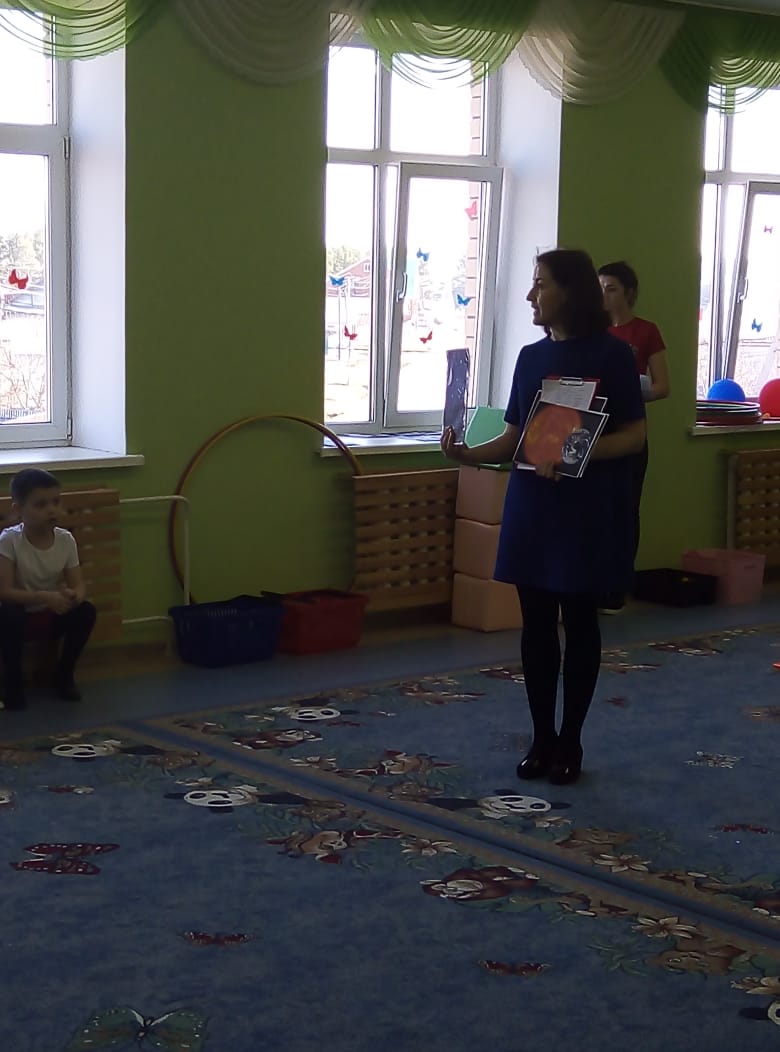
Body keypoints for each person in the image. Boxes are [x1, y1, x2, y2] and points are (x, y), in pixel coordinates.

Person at [441, 249, 646, 784]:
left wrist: (579, 452)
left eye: (541, 285)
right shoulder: (530, 357)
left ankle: (571, 741)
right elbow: (515, 437)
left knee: (578, 621)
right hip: (534, 504)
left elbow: (634, 434)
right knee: (535, 625)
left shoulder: (613, 355)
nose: (531, 296)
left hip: (585, 507)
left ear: (570, 291)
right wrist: (467, 454)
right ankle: (541, 738)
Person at [598, 261, 670, 612]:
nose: (604, 296)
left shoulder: (645, 331)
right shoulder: (593, 332)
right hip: (597, 430)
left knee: (625, 510)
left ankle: (617, 587)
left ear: (629, 292)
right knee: (596, 509)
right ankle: (590, 583)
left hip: (630, 432)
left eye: (611, 289)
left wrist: (633, 391)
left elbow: (662, 386)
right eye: (600, 289)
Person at [0, 468, 97, 710]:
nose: (52, 510)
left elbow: (78, 585)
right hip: (18, 617)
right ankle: (13, 683)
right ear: (18, 510)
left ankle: (63, 676)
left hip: (50, 613)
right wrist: (43, 596)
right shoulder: (9, 540)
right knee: (9, 613)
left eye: (56, 502)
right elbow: (4, 591)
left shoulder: (65, 540)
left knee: (86, 611)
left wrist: (73, 596)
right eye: (41, 504)